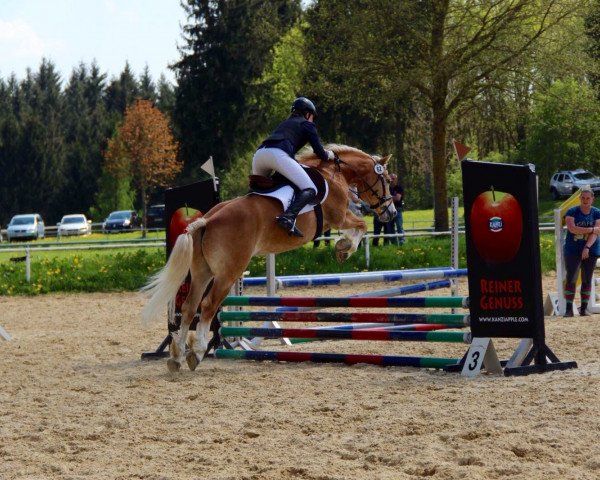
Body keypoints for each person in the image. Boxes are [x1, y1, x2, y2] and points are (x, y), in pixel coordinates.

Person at [252, 97, 334, 237]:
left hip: (259, 155)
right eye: (312, 117)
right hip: (277, 155)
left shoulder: (285, 123)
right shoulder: (307, 125)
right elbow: (319, 152)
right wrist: (330, 155)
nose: (312, 120)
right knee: (310, 189)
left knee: (257, 192)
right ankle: (288, 217)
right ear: (307, 114)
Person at [563, 187, 600, 317]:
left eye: (588, 198)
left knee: (587, 278)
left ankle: (583, 309)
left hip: (591, 249)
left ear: (592, 199)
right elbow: (572, 229)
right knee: (571, 278)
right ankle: (568, 310)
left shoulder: (597, 212)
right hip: (572, 249)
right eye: (583, 198)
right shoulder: (572, 211)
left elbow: (597, 232)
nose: (585, 200)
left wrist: (587, 247)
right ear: (579, 198)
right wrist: (592, 229)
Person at [389, 173, 405, 245]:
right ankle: (393, 244)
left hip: (397, 209)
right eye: (390, 179)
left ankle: (402, 241)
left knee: (399, 226)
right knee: (390, 228)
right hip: (388, 210)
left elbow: (398, 198)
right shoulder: (387, 188)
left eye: (393, 179)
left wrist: (388, 198)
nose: (392, 180)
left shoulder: (399, 188)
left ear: (396, 180)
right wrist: (392, 198)